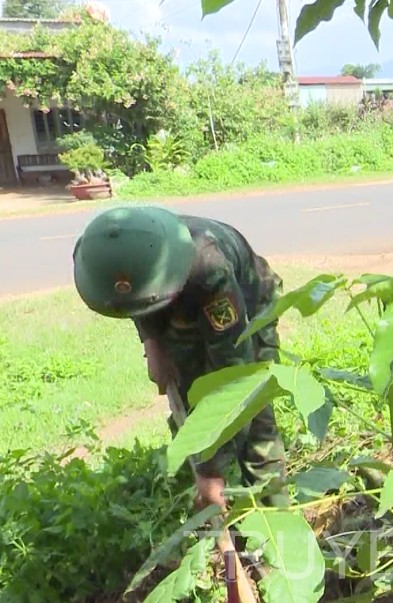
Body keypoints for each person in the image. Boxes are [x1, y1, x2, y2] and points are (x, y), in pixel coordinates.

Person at [71, 205, 289, 510]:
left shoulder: (209, 269)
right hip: (174, 302)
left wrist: (212, 469)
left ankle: (273, 515)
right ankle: (210, 504)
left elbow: (235, 378)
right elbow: (136, 302)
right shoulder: (124, 260)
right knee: (190, 406)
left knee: (254, 410)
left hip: (248, 308)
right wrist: (152, 344)